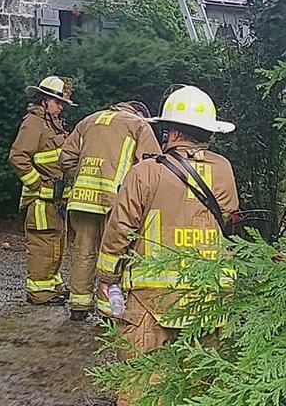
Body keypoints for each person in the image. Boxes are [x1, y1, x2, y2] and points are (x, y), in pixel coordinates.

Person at [96, 85, 239, 405]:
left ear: (172, 132)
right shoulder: (224, 171)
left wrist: (106, 277)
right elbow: (229, 221)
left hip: (150, 302)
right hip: (208, 298)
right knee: (200, 388)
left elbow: (119, 230)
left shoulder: (146, 172)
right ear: (206, 134)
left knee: (141, 385)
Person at [60, 99, 161, 320]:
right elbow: (153, 164)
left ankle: (79, 306)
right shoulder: (138, 125)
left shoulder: (88, 120)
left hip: (81, 199)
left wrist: (81, 179)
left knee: (83, 251)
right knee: (113, 253)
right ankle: (108, 311)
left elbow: (65, 158)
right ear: (140, 113)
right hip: (115, 200)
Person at [9, 75, 75, 305]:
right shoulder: (34, 124)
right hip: (40, 200)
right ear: (44, 100)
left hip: (54, 201)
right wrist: (37, 184)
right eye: (58, 102)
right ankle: (39, 293)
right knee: (42, 246)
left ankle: (52, 286)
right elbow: (18, 157)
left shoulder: (52, 124)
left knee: (56, 244)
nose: (61, 107)